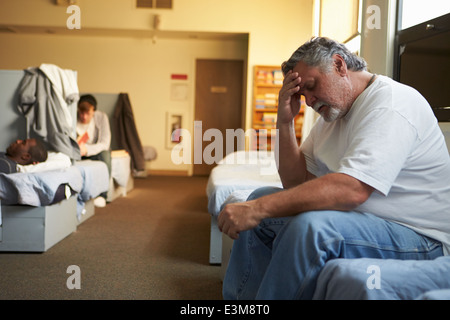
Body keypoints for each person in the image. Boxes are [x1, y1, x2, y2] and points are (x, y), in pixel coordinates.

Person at [218, 37, 450, 300]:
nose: (308, 101)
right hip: (365, 224)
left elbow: (352, 190)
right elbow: (295, 185)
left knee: (311, 227)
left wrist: (257, 210)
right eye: (302, 94)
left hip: (420, 237)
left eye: (312, 86)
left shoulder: (391, 103)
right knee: (260, 195)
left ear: (339, 64)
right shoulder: (331, 118)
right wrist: (285, 122)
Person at [77, 94, 111, 207]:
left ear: (94, 112)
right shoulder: (73, 117)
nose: (84, 117)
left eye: (88, 113)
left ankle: (103, 195)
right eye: (81, 113)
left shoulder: (101, 117)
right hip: (77, 152)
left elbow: (105, 143)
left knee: (105, 155)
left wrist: (87, 150)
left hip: (93, 152)